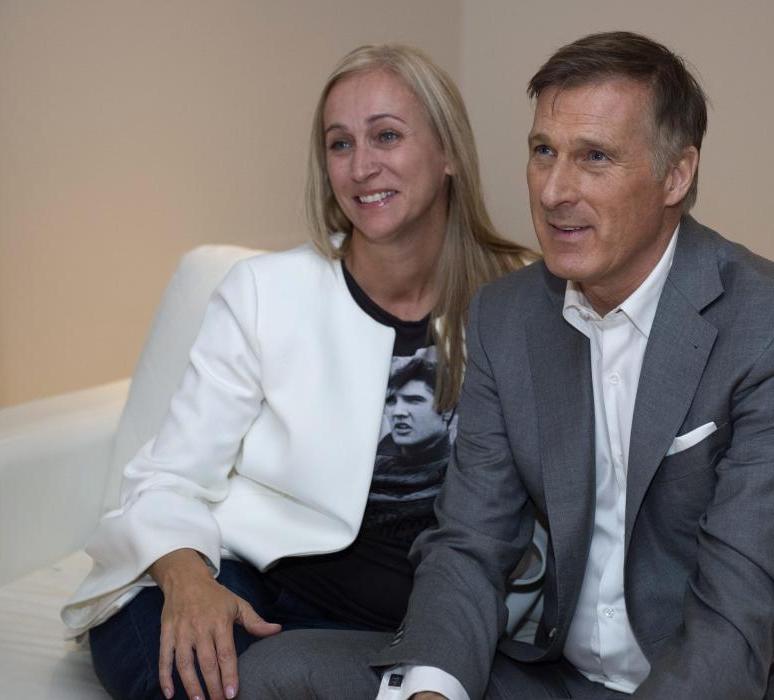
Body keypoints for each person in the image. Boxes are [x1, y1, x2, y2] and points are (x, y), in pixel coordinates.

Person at [237, 31, 774, 699]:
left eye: (594, 157)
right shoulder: (508, 316)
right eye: (543, 151)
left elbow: (739, 621)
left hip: (739, 681)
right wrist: (431, 694)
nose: (555, 190)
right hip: (567, 676)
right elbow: (469, 545)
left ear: (677, 173)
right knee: (279, 673)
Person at [60, 43, 532, 700]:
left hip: (422, 613)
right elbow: (167, 478)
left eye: (387, 136)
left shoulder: (522, 300)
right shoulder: (263, 292)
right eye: (340, 145)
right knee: (176, 648)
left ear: (449, 152)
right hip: (256, 584)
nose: (362, 166)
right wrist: (190, 581)